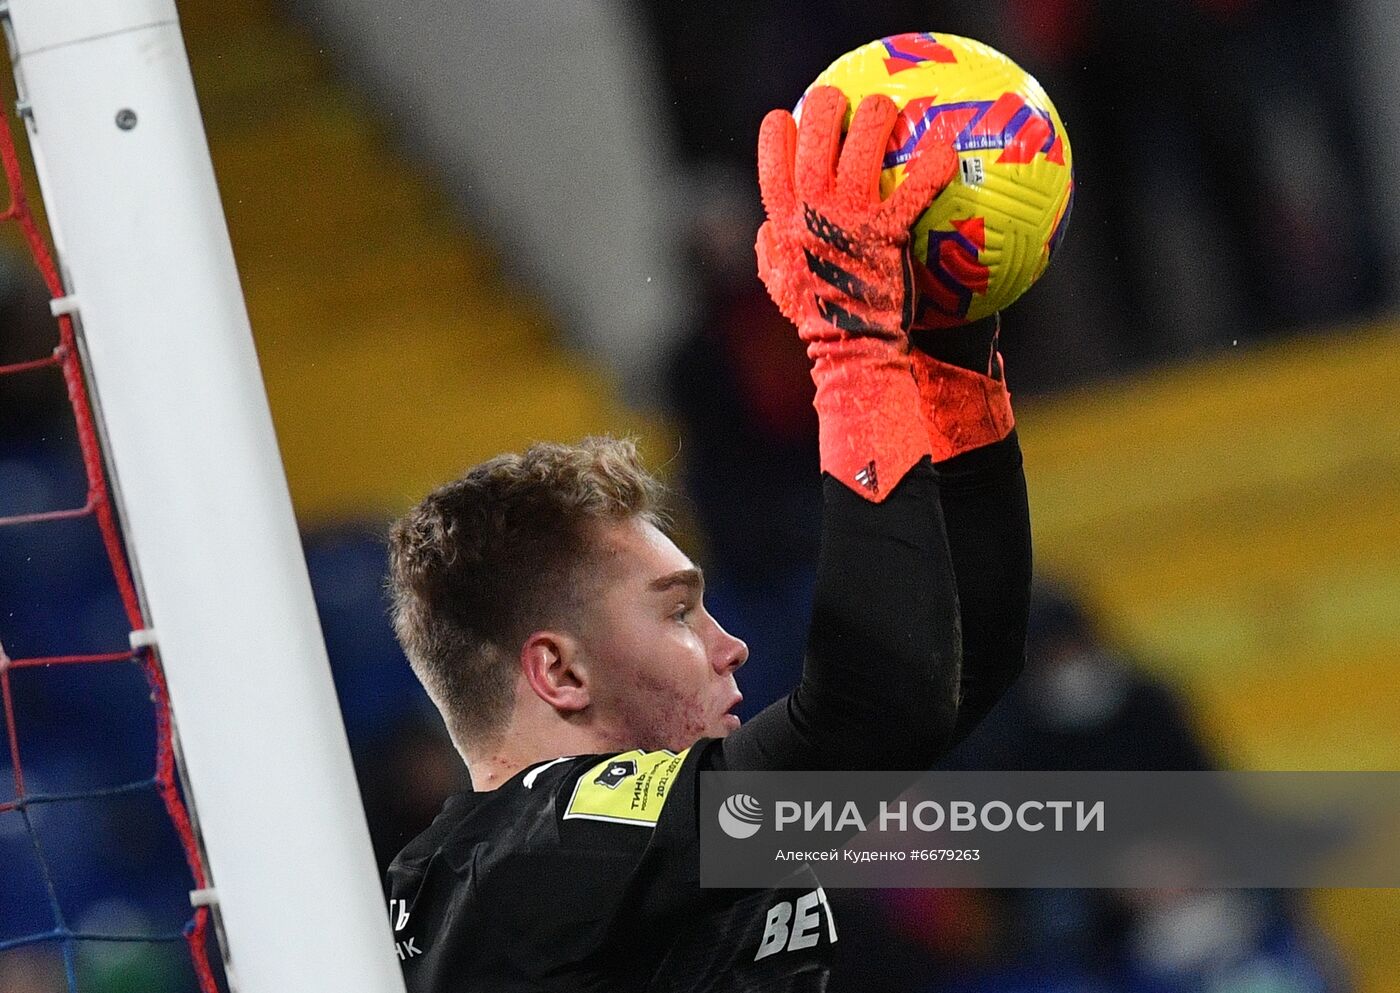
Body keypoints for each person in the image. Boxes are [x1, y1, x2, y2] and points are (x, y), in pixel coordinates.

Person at [383, 86, 1033, 992]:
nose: (730, 645)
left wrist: (954, 366)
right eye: (679, 612)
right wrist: (853, 348)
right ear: (559, 673)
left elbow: (961, 664)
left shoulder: (652, 849)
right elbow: (875, 710)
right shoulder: (531, 857)